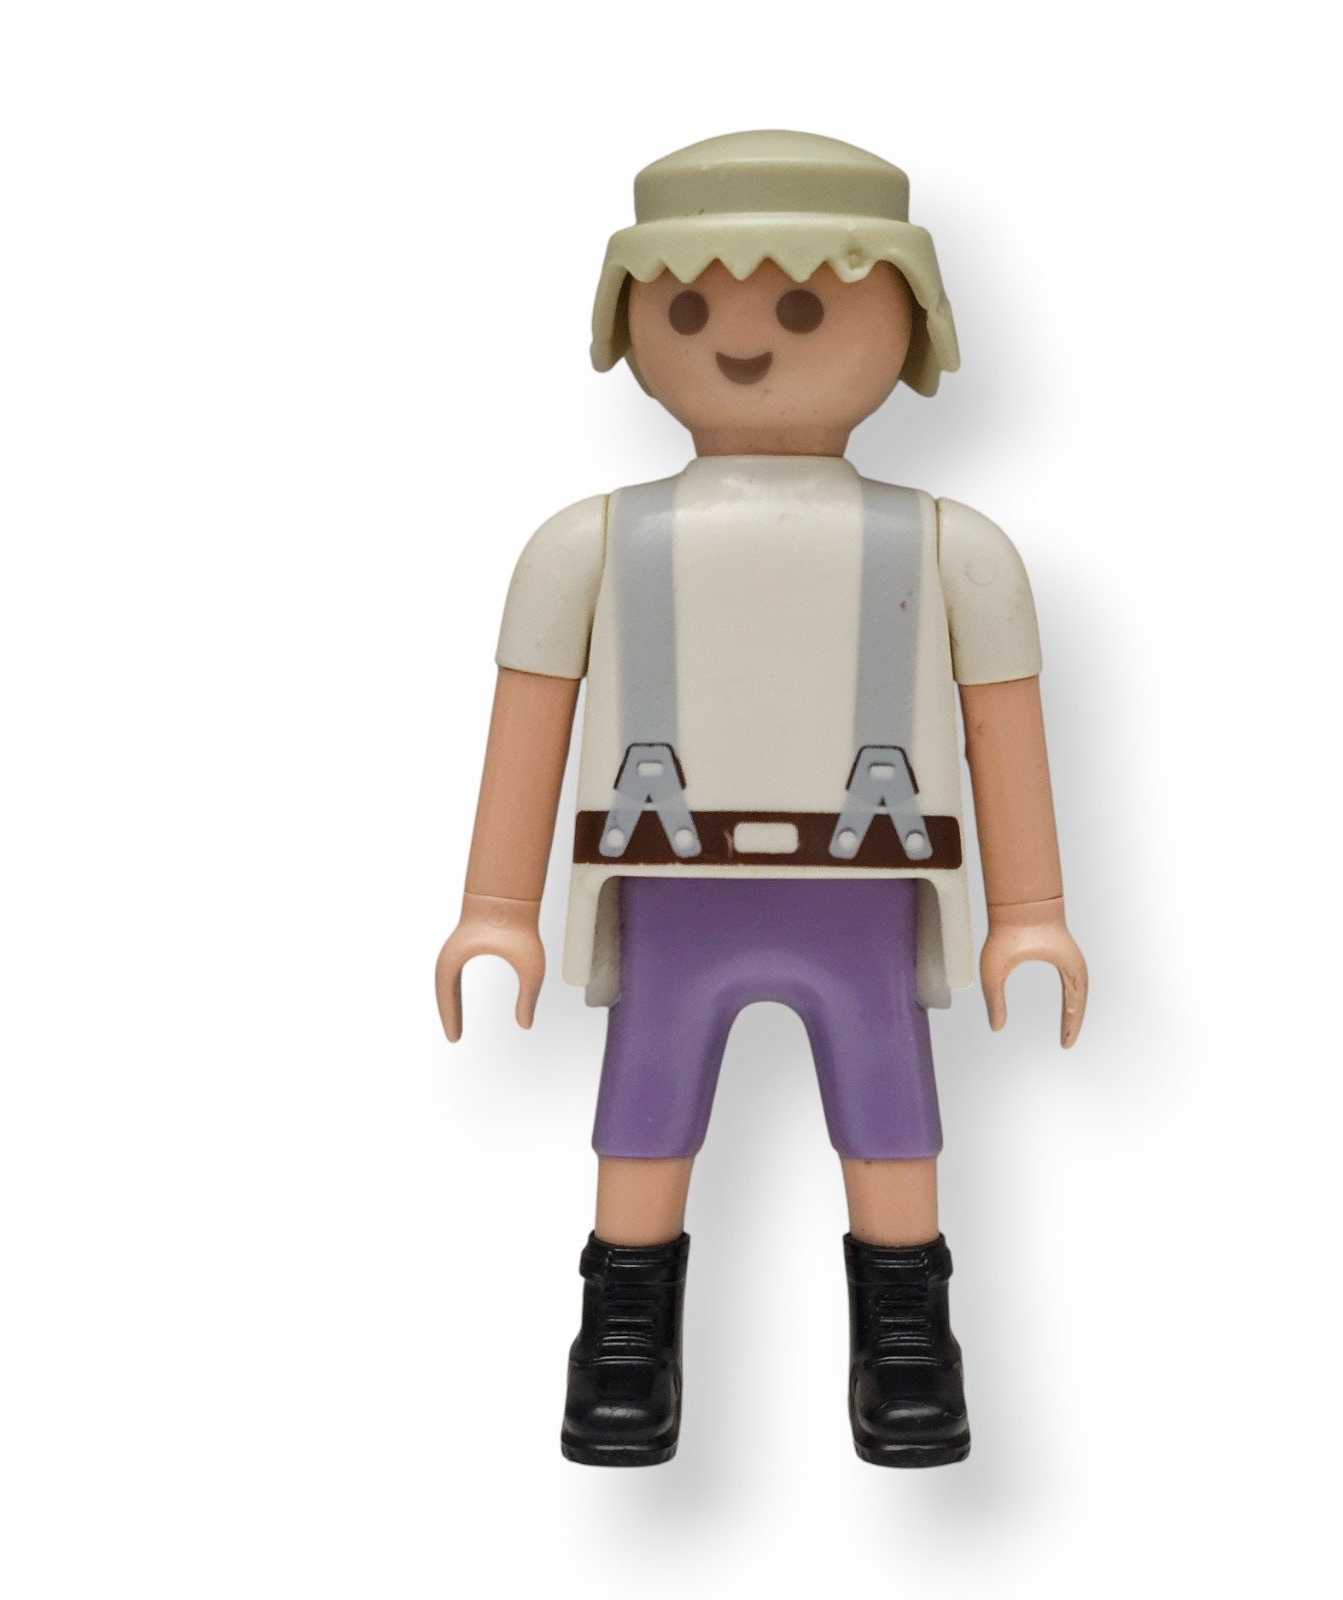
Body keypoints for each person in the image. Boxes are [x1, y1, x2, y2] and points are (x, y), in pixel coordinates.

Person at [435, 130, 1087, 1468]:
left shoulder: (956, 551)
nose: (742, 342)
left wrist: (1031, 914)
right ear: (633, 324)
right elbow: (529, 728)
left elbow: (1006, 735)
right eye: (690, 309)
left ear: (908, 324)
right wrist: (494, 907)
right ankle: (625, 1333)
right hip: (674, 889)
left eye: (802, 308)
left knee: (889, 1107)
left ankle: (906, 1335)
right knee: (647, 1104)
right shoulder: (585, 545)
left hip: (865, 894)